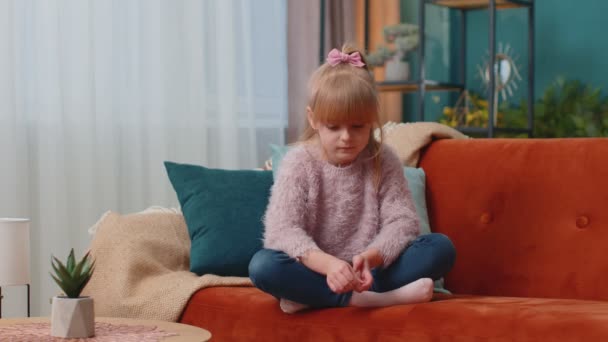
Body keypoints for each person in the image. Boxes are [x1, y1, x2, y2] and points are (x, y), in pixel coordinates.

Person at [248, 45, 456, 314]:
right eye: (334, 127)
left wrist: (371, 257)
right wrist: (330, 265)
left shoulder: (384, 160)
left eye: (357, 126)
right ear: (314, 119)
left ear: (371, 120)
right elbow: (282, 231)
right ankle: (371, 299)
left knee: (440, 248)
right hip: (317, 270)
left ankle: (316, 297)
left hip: (371, 272)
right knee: (263, 266)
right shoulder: (299, 162)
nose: (346, 137)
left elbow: (402, 222)